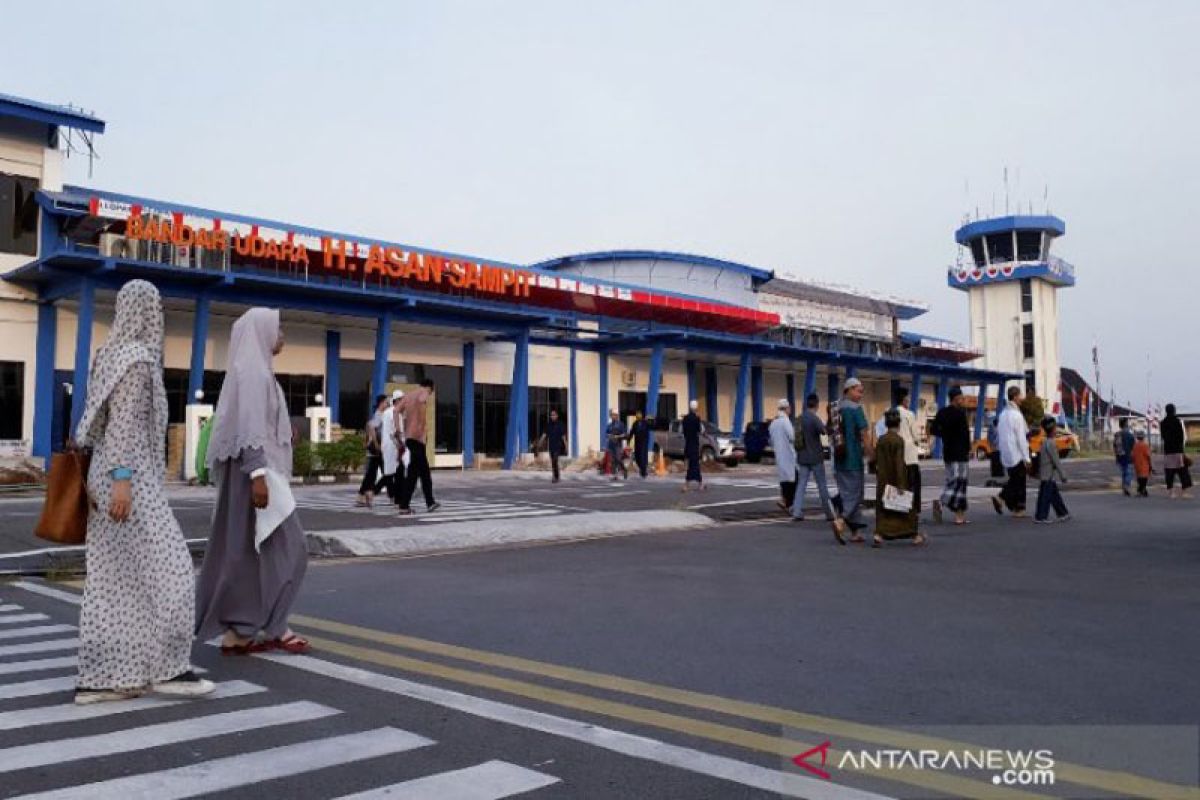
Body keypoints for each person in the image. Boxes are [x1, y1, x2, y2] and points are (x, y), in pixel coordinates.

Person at [73, 280, 214, 705]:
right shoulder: (137, 360)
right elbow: (123, 428)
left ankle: (103, 678)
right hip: (127, 478)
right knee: (171, 571)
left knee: (114, 582)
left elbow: (96, 423)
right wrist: (122, 482)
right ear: (149, 312)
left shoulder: (108, 355)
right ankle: (169, 669)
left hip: (108, 473)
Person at [196, 307, 310, 656]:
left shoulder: (255, 370)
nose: (283, 335)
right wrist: (258, 474)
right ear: (260, 332)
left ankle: (241, 632)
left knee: (245, 554)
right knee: (294, 550)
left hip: (252, 472)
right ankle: (271, 626)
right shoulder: (254, 373)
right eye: (278, 328)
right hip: (255, 474)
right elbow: (249, 428)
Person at [792, 393, 843, 538]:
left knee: (801, 485)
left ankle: (797, 511)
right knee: (822, 486)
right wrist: (831, 420)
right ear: (817, 404)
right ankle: (829, 513)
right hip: (815, 457)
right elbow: (825, 431)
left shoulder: (800, 418)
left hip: (802, 456)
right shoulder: (814, 418)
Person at [873, 409, 926, 547]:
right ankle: (914, 534)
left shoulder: (882, 440)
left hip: (883, 479)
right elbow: (898, 463)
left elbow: (874, 460)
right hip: (895, 478)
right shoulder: (898, 440)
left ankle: (879, 534)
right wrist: (902, 484)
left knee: (883, 508)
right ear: (899, 424)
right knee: (906, 509)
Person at [833, 377, 872, 541]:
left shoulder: (835, 408)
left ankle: (855, 532)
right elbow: (864, 433)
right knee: (855, 495)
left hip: (839, 458)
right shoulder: (856, 409)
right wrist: (871, 453)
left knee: (846, 493)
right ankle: (840, 521)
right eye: (858, 391)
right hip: (853, 458)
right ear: (848, 390)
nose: (861, 394)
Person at [930, 386, 972, 525]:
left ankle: (959, 516)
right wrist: (969, 449)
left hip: (948, 451)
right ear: (956, 398)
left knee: (952, 480)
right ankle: (943, 502)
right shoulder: (960, 414)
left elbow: (933, 429)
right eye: (961, 397)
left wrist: (946, 434)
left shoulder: (942, 413)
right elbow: (965, 434)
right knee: (960, 483)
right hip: (960, 453)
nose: (963, 399)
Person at [398, 379, 440, 514]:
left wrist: (399, 429)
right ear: (430, 387)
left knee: (413, 474)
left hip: (409, 438)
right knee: (424, 473)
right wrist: (421, 427)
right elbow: (422, 401)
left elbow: (396, 410)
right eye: (431, 391)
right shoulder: (423, 392)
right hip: (417, 439)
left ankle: (405, 505)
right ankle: (430, 503)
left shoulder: (408, 395)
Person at [893, 386, 923, 518]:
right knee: (913, 485)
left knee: (899, 484)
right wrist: (918, 441)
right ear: (905, 400)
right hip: (910, 456)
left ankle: (899, 510)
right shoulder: (909, 414)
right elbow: (916, 436)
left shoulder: (891, 413)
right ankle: (913, 511)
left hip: (896, 455)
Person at [1034, 417, 1071, 523]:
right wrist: (1063, 475)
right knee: (1045, 497)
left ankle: (1063, 513)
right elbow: (1056, 461)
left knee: (1053, 495)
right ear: (1053, 429)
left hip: (1045, 473)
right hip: (1048, 474)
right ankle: (1041, 517)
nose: (1056, 429)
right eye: (1055, 427)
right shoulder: (1051, 443)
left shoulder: (1044, 442)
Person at [356, 394, 388, 507]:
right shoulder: (379, 414)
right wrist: (376, 444)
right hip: (377, 450)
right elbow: (372, 428)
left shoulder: (380, 414)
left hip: (376, 450)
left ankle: (362, 497)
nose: (387, 404)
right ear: (381, 403)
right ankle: (371, 493)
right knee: (388, 473)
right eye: (386, 402)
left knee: (371, 475)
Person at [378, 389, 407, 508]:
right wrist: (402, 445)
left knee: (390, 472)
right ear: (398, 400)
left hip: (388, 444)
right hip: (394, 445)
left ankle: (393, 497)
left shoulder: (387, 412)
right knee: (396, 472)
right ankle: (396, 498)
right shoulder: (395, 413)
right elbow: (396, 432)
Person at [769, 399, 797, 511]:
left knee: (784, 479)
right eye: (789, 408)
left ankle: (784, 500)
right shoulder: (785, 421)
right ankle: (790, 504)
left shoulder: (773, 423)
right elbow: (792, 437)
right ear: (786, 409)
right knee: (793, 480)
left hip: (779, 454)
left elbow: (771, 439)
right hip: (789, 454)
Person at [1160, 403, 1193, 499]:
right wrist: (1182, 450)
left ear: (1166, 411)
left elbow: (1163, 437)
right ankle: (1184, 493)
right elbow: (1181, 437)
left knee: (1169, 473)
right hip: (1178, 451)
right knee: (1183, 473)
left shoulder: (1162, 423)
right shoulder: (1177, 421)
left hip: (1168, 451)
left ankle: (1171, 493)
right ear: (1174, 410)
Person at [681, 400, 705, 492]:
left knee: (691, 464)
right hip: (694, 444)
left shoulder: (685, 419)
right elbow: (699, 430)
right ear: (696, 408)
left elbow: (683, 431)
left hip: (687, 443)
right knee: (694, 464)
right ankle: (689, 485)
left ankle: (695, 484)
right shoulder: (696, 419)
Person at [539, 409, 568, 483]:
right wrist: (540, 442)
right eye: (551, 415)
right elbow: (544, 434)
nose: (552, 416)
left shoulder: (560, 425)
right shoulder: (548, 425)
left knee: (555, 460)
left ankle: (555, 477)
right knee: (553, 462)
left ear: (557, 416)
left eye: (554, 415)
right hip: (551, 446)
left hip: (558, 446)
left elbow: (563, 437)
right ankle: (556, 476)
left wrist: (566, 446)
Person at [1113, 418, 1135, 497]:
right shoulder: (1129, 435)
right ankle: (1127, 487)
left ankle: (1124, 488)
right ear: (1126, 424)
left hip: (1119, 456)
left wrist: (1116, 456)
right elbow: (1133, 447)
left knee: (1124, 473)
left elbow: (1115, 446)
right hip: (1128, 457)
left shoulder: (1117, 434)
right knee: (1128, 473)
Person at [604, 409, 628, 481]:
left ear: (617, 416)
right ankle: (615, 475)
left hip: (618, 444)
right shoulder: (609, 425)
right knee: (613, 460)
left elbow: (625, 434)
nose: (613, 416)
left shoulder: (620, 424)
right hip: (611, 444)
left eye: (614, 415)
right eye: (611, 415)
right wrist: (609, 436)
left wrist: (618, 436)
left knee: (618, 459)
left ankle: (624, 470)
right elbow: (606, 434)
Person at [628, 410, 652, 479]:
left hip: (644, 443)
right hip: (637, 442)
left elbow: (652, 426)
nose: (638, 415)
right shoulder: (635, 423)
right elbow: (631, 432)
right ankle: (642, 469)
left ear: (642, 415)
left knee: (642, 457)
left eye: (639, 414)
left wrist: (651, 420)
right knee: (637, 457)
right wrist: (628, 440)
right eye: (637, 414)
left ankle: (643, 472)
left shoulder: (646, 423)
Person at [1131, 430, 1153, 497]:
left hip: (1137, 464)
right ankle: (1140, 491)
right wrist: (1151, 464)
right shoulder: (1145, 445)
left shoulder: (1135, 446)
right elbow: (1148, 455)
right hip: (1144, 464)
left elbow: (1133, 455)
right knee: (1144, 478)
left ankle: (1143, 491)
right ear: (1143, 437)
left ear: (1137, 437)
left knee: (1139, 478)